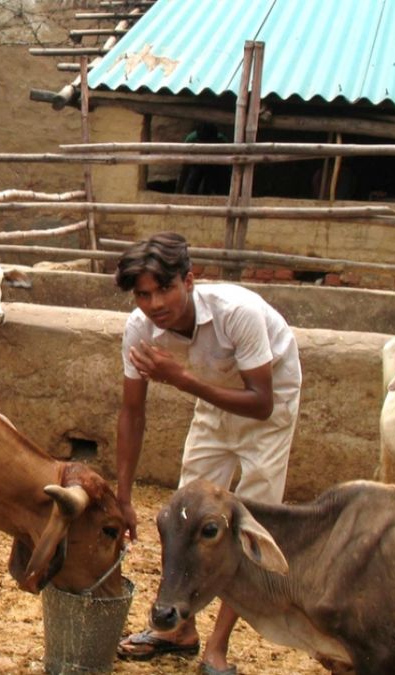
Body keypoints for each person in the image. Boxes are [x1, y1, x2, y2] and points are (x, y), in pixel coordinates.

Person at [112, 233, 300, 675]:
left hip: (267, 409)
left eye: (165, 289)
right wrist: (123, 495)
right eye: (143, 294)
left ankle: (217, 647)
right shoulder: (139, 330)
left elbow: (262, 402)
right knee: (185, 516)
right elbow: (131, 411)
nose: (154, 303)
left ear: (189, 281)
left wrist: (181, 380)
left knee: (245, 522)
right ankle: (178, 629)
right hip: (213, 404)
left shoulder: (239, 314)